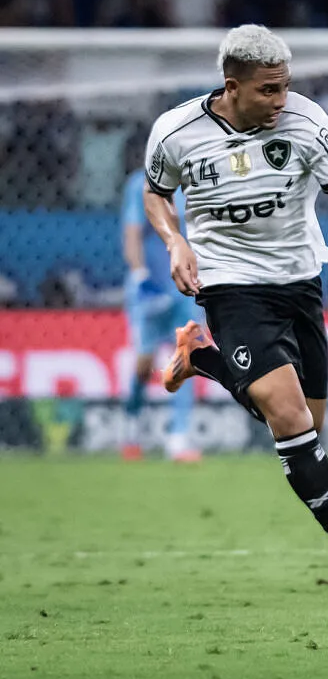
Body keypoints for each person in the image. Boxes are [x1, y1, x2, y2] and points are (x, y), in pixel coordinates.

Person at [143, 24, 328, 605]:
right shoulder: (176, 131)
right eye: (268, 91)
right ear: (231, 86)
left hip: (301, 284)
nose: (280, 101)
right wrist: (174, 241)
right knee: (290, 421)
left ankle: (204, 358)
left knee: (307, 426)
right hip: (232, 288)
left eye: (285, 87)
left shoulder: (308, 123)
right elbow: (156, 191)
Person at [120, 168, 200, 462]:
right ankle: (132, 425)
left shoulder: (197, 179)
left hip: (185, 286)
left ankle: (178, 438)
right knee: (145, 362)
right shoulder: (139, 184)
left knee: (187, 356)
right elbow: (132, 234)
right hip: (150, 289)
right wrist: (140, 275)